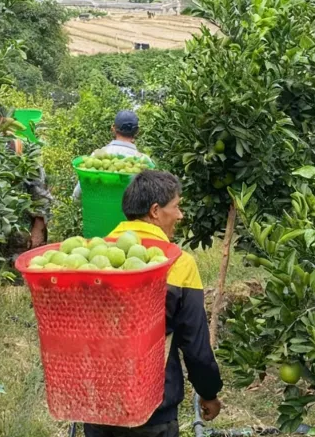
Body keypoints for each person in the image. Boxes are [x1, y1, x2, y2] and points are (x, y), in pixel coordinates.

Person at [85, 170, 223, 437]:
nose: (180, 214)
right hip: (152, 407)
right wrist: (209, 393)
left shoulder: (93, 257)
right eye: (177, 206)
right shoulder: (178, 264)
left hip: (98, 401)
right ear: (156, 211)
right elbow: (195, 346)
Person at [0, 104, 51, 256]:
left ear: (2, 121)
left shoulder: (20, 148)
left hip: (19, 233)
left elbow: (40, 192)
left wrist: (38, 228)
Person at [72, 109, 152, 201]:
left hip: (100, 212)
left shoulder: (97, 156)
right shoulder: (145, 162)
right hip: (132, 214)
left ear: (113, 129)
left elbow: (77, 195)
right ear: (137, 131)